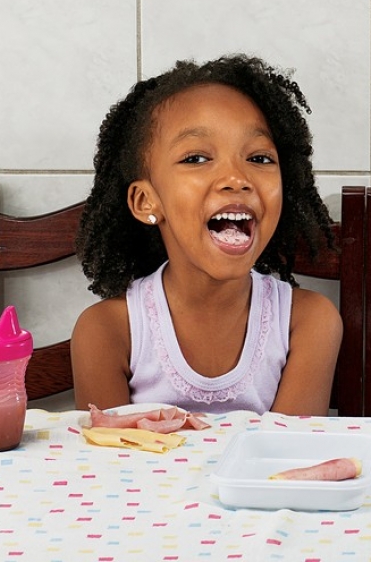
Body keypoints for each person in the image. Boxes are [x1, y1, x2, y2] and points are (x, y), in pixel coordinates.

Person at [71, 54, 342, 415]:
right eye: (196, 158)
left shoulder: (308, 322)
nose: (237, 178)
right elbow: (111, 461)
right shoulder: (106, 331)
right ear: (145, 201)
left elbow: (284, 458)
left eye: (259, 158)